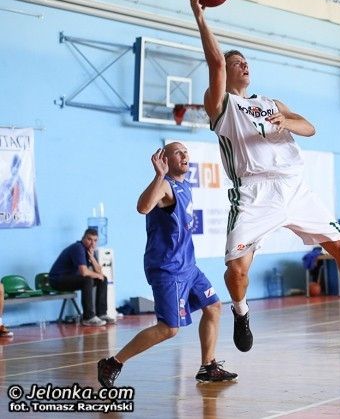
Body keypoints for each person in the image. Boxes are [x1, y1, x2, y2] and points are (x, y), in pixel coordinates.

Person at [188, 0, 340, 352]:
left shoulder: (271, 102)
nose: (244, 66)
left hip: (294, 187)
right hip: (254, 192)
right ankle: (241, 310)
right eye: (237, 63)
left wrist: (287, 121)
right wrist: (200, 17)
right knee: (237, 269)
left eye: (246, 62)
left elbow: (310, 127)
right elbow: (215, 63)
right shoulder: (221, 105)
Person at [97, 143, 236, 387]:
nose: (185, 155)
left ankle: (208, 366)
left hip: (188, 266)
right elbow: (142, 207)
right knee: (169, 328)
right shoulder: (164, 185)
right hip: (168, 269)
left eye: (186, 152)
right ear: (165, 160)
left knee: (213, 306)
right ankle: (113, 363)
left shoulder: (185, 185)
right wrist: (159, 175)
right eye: (178, 152)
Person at [49, 228, 111, 326]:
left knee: (103, 280)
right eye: (89, 239)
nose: (92, 243)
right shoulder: (78, 248)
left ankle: (102, 314)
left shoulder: (90, 250)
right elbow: (84, 272)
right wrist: (98, 275)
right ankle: (88, 317)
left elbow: (99, 273)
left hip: (70, 279)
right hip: (57, 280)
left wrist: (92, 258)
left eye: (95, 240)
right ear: (83, 238)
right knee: (87, 279)